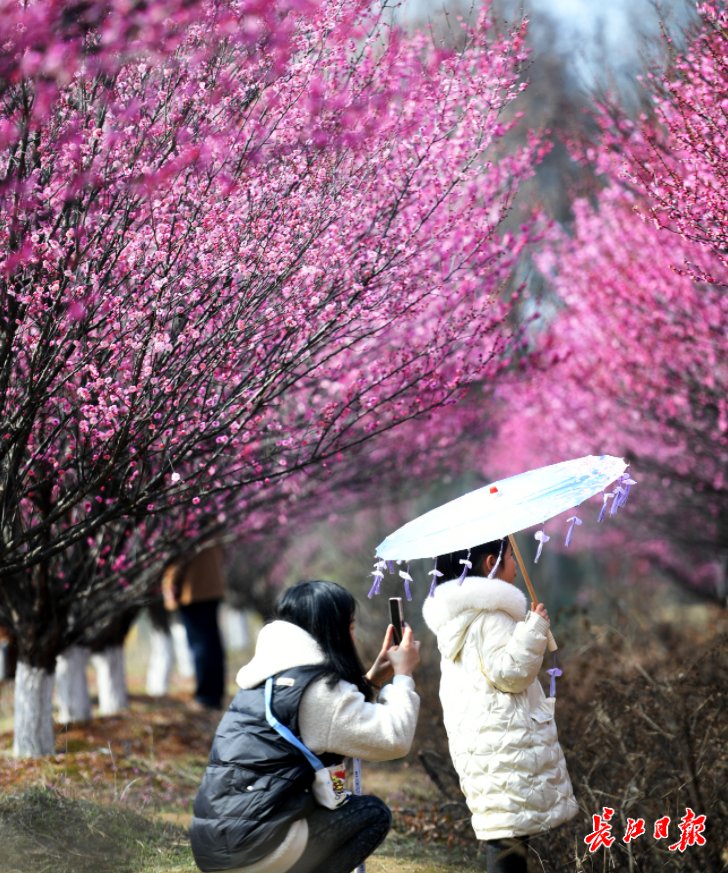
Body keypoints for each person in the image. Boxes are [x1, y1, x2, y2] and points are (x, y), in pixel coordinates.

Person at [190, 579, 421, 873]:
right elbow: (393, 738)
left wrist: (373, 678)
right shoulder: (318, 690)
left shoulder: (266, 678)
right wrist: (403, 675)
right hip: (253, 850)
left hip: (217, 847)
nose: (353, 636)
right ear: (331, 631)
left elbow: (332, 718)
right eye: (349, 626)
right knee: (372, 814)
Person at [422, 538, 578, 873]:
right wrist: (534, 628)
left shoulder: (459, 620)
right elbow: (510, 674)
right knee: (510, 841)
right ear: (491, 561)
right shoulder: (491, 617)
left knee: (505, 834)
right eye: (509, 556)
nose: (513, 563)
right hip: (506, 745)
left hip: (484, 744)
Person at [162, 542, 227, 710]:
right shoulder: (213, 522)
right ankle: (215, 694)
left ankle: (206, 697)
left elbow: (179, 556)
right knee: (212, 643)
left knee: (201, 644)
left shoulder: (189, 523)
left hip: (194, 589)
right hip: (213, 586)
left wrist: (170, 583)